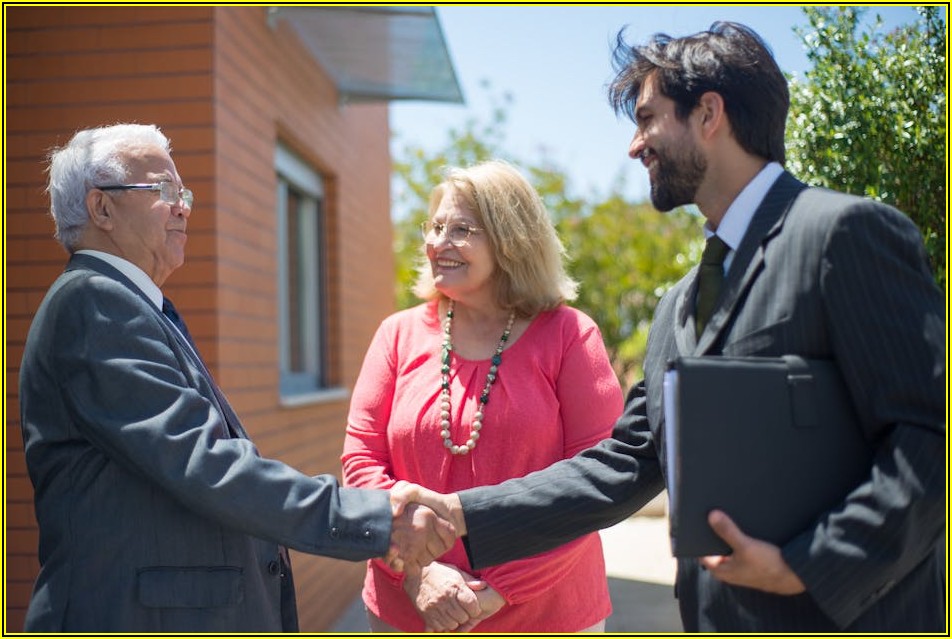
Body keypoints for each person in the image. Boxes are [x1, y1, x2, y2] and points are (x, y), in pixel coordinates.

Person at [393, 22, 945, 633]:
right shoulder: (678, 306)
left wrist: (808, 564)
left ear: (709, 114)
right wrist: (461, 511)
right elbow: (626, 462)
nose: (635, 145)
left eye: (648, 118)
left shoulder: (845, 236)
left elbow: (929, 432)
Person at [18, 123, 455, 632]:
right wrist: (372, 517)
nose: (182, 206)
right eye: (162, 190)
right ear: (102, 209)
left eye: (182, 192)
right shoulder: (94, 302)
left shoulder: (126, 303)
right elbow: (205, 464)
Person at [342, 160, 623, 632]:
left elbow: (596, 484)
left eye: (461, 229)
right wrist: (418, 574)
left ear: (510, 240)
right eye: (434, 226)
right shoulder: (397, 334)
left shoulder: (571, 336)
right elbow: (361, 466)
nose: (437, 242)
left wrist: (497, 590)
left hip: (546, 614)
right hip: (409, 609)